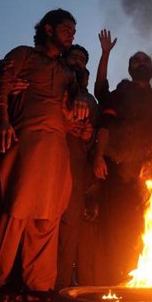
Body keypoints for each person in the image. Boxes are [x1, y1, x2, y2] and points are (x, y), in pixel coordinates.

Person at [0, 9, 87, 302]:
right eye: (66, 29)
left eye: (73, 32)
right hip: (26, 140)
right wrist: (2, 119)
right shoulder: (24, 54)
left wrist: (75, 111)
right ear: (48, 29)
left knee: (48, 213)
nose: (71, 36)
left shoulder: (67, 73)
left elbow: (71, 106)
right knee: (15, 209)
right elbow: (2, 84)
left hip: (57, 147)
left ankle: (39, 285)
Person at [93, 30, 152, 284]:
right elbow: (104, 116)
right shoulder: (121, 91)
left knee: (145, 225)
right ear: (130, 68)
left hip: (147, 172)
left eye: (145, 60)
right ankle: (115, 279)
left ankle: (144, 277)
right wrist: (99, 157)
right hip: (117, 167)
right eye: (136, 60)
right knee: (115, 225)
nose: (141, 63)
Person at [56, 44, 99, 289]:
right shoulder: (53, 83)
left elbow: (92, 134)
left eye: (83, 59)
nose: (78, 62)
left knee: (70, 227)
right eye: (74, 57)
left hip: (75, 165)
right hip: (47, 159)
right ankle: (28, 282)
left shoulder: (89, 99)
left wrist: (87, 135)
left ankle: (58, 285)